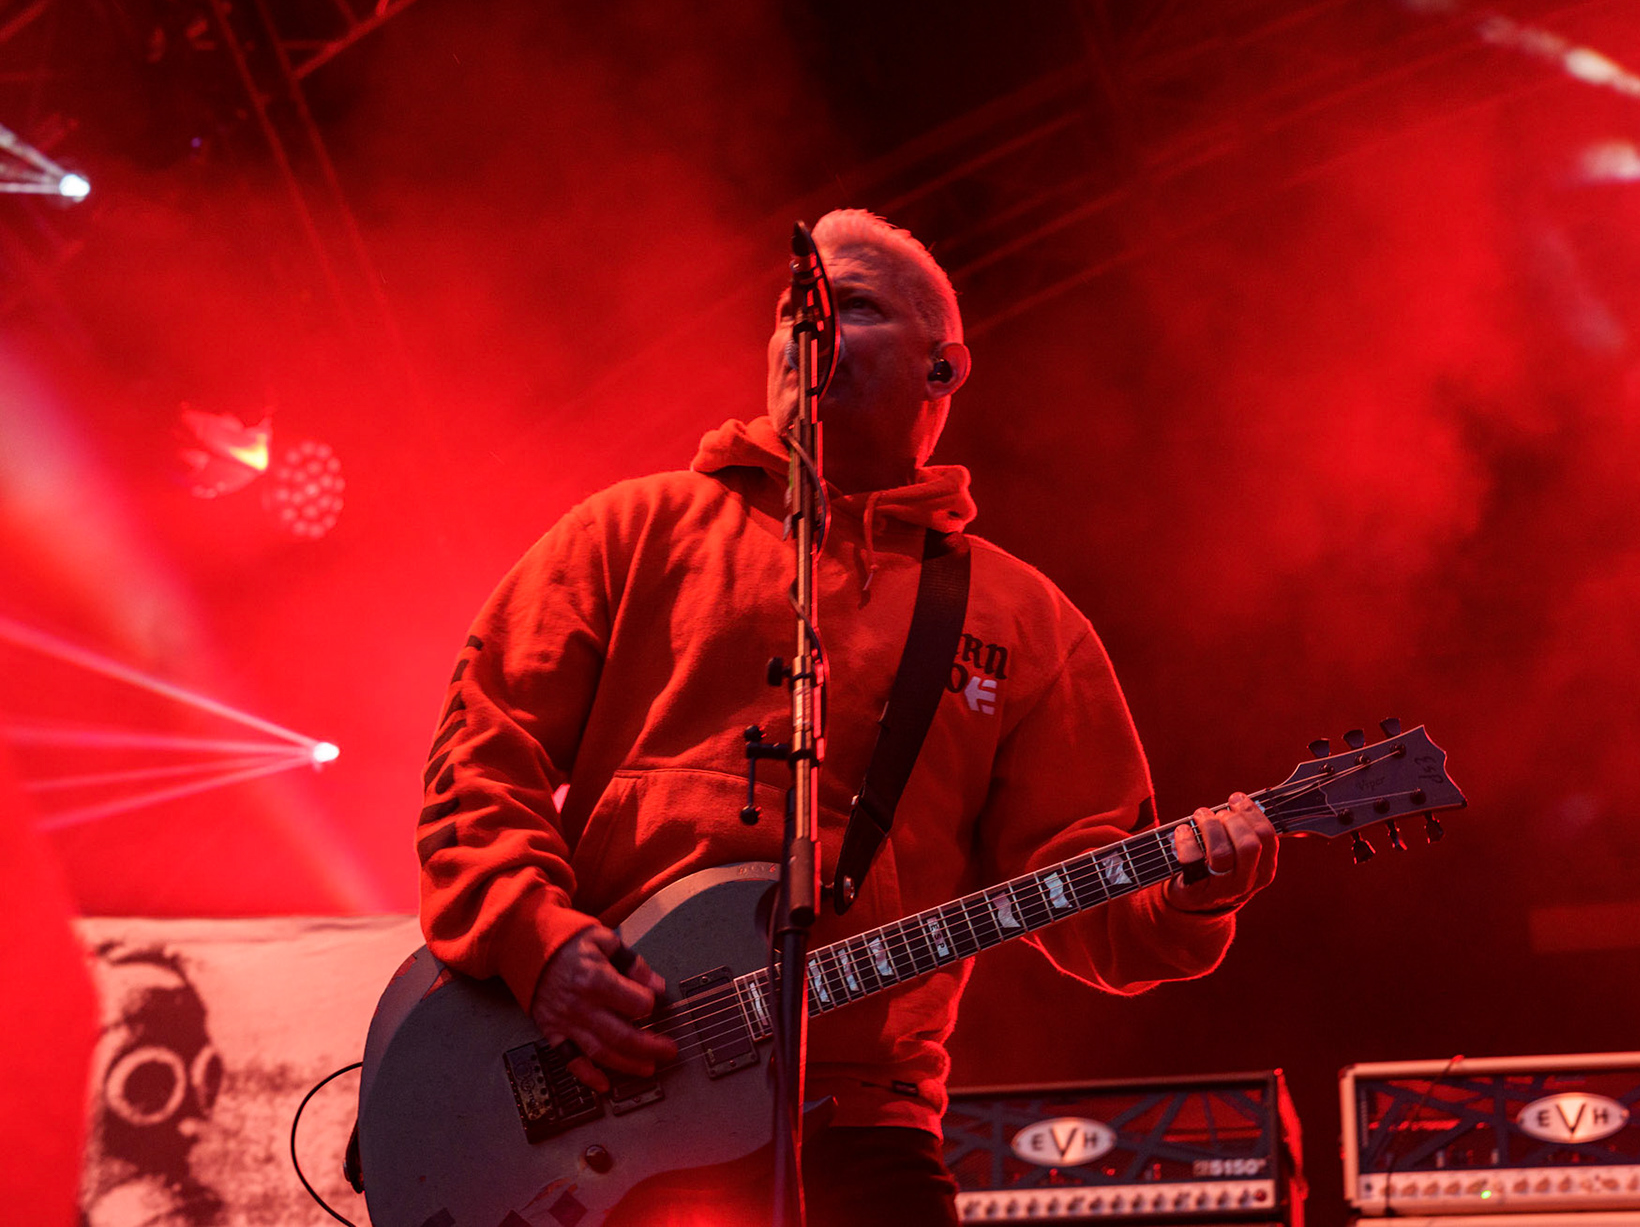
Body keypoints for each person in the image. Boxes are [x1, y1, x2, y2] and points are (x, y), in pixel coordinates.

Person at [416, 209, 1281, 1225]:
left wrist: (1189, 895)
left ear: (943, 369)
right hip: (609, 1089)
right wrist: (541, 940)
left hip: (864, 1120)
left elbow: (1092, 886)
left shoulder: (1024, 622)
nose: (807, 327)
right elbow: (481, 754)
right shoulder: (629, 529)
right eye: (792, 308)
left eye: (852, 305)